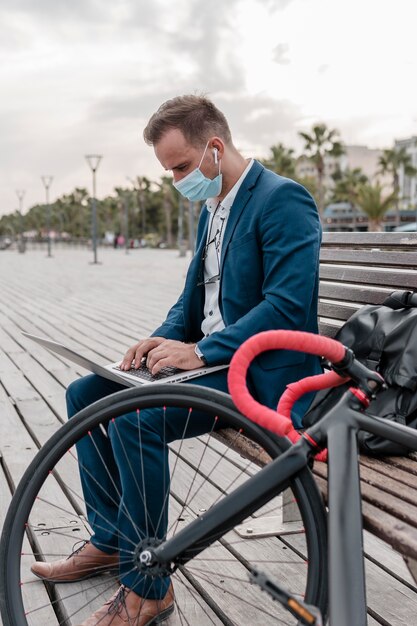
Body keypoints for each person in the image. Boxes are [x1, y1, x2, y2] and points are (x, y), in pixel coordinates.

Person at [31, 95, 322, 625]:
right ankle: (112, 538)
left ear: (215, 147)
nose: (178, 181)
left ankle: (149, 588)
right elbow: (193, 304)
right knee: (85, 395)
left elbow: (287, 306)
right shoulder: (213, 209)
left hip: (260, 376)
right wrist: (157, 342)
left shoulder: (282, 200)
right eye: (169, 172)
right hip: (212, 366)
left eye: (182, 167)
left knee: (136, 419)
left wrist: (201, 351)